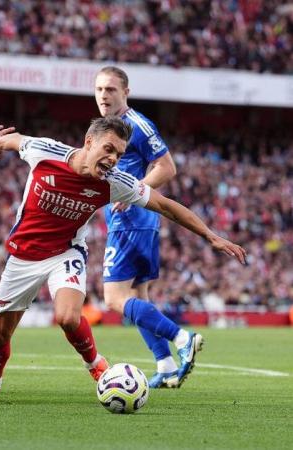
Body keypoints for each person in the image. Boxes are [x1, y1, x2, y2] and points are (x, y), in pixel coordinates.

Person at [0, 118, 246, 402]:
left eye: (119, 154)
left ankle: (96, 365)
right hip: (23, 256)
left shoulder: (115, 182)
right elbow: (15, 140)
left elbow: (164, 205)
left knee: (68, 317)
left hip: (66, 252)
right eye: (109, 149)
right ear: (89, 142)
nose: (113, 159)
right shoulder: (45, 151)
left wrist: (211, 236)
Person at [94, 66, 183, 388]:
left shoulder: (138, 125)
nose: (104, 95)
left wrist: (134, 193)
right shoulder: (107, 127)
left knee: (114, 298)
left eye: (111, 90)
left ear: (125, 93)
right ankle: (167, 364)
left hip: (132, 220)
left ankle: (183, 338)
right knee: (137, 297)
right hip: (132, 221)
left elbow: (167, 167)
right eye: (100, 89)